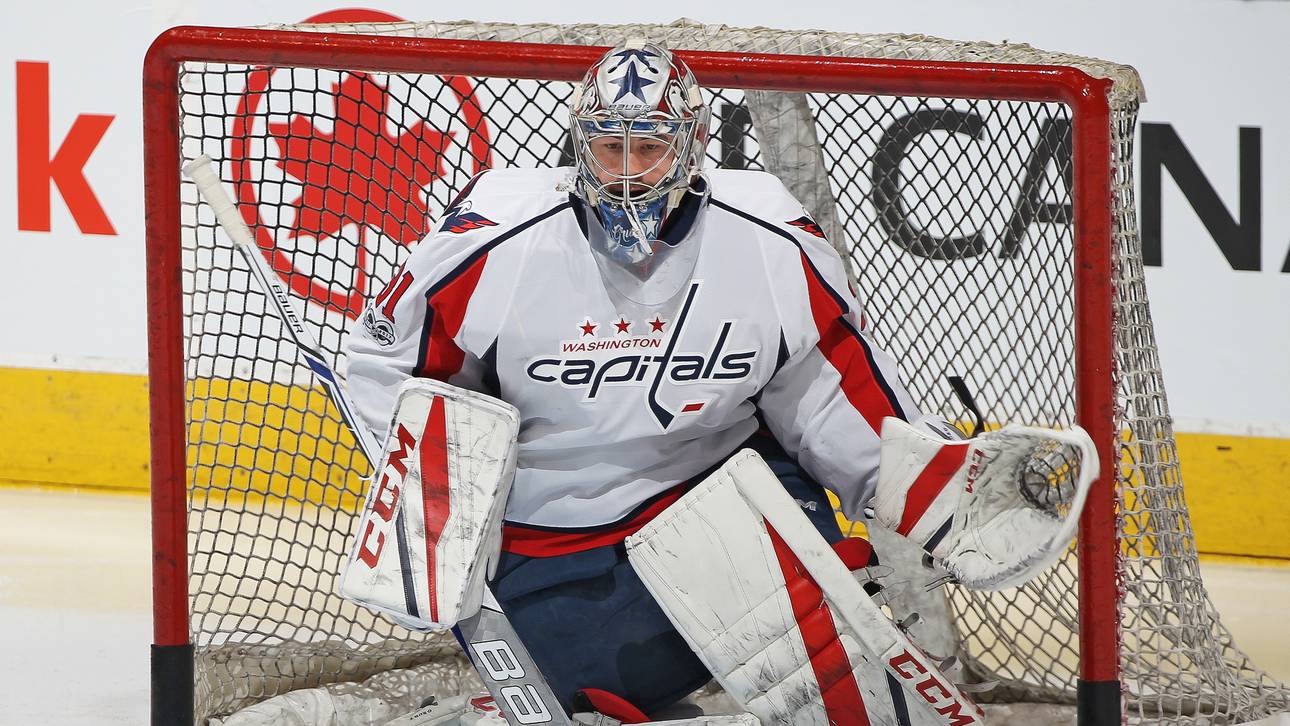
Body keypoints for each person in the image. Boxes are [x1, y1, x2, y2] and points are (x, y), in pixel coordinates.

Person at [344, 40, 951, 719]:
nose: (629, 172)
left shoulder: (769, 239)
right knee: (570, 702)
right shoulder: (492, 238)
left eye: (651, 146)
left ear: (692, 145)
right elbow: (385, 366)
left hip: (723, 499)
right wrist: (429, 504)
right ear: (581, 145)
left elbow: (825, 392)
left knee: (850, 690)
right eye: (610, 147)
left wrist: (928, 489)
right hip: (551, 540)